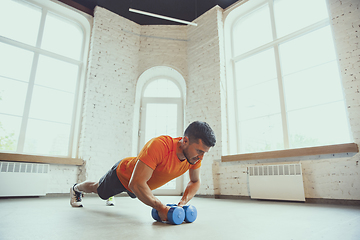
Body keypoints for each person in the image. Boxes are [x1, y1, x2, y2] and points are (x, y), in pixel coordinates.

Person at [70, 121, 216, 221]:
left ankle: (109, 195)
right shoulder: (161, 146)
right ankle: (76, 188)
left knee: (135, 190)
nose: (201, 157)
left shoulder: (194, 158)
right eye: (199, 151)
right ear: (185, 141)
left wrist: (182, 203)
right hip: (124, 175)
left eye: (204, 153)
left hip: (139, 186)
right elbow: (136, 183)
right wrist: (160, 207)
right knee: (98, 189)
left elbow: (195, 181)